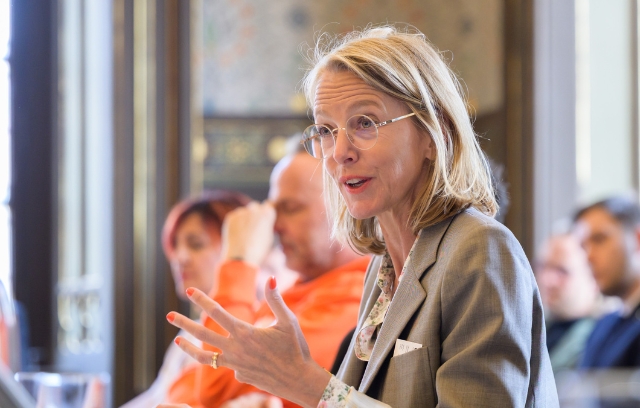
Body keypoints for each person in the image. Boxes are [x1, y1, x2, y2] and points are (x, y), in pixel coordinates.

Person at [166, 25, 559, 407]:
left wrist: (307, 384)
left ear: (432, 133)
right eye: (325, 130)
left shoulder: (480, 249)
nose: (339, 152)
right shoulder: (382, 267)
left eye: (365, 123)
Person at [164, 147, 369, 407]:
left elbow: (213, 388)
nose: (274, 225)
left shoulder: (354, 300)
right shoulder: (296, 292)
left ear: (346, 207)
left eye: (290, 208)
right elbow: (184, 388)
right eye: (272, 210)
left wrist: (238, 260)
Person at [121, 190, 251, 408]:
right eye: (175, 245)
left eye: (196, 244)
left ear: (237, 245)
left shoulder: (256, 331)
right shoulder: (190, 334)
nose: (179, 257)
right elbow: (154, 399)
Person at [573, 196, 640, 368]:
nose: (589, 256)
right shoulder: (603, 325)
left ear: (637, 239)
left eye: (599, 239)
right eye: (583, 246)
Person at [534, 233, 601, 372]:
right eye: (542, 266)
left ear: (593, 277)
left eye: (562, 271)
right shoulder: (535, 326)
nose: (547, 280)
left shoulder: (601, 337)